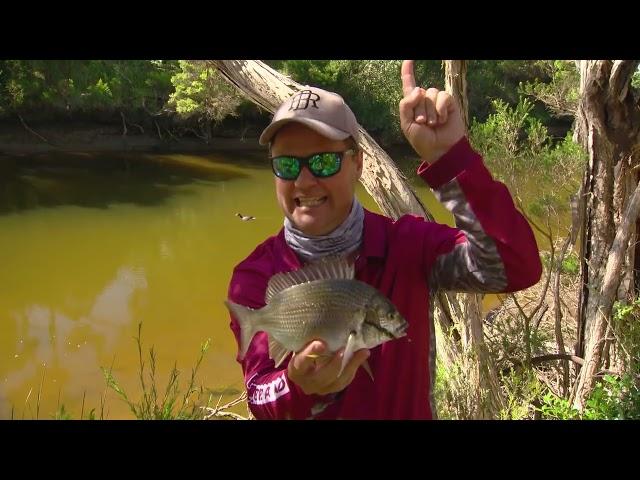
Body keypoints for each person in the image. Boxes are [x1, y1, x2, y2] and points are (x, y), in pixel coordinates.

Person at [226, 60, 542, 419]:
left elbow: (515, 266)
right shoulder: (254, 276)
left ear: (358, 164)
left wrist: (451, 159)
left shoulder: (409, 246)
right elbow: (260, 397)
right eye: (286, 165)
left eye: (324, 162)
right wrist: (297, 385)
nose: (303, 181)